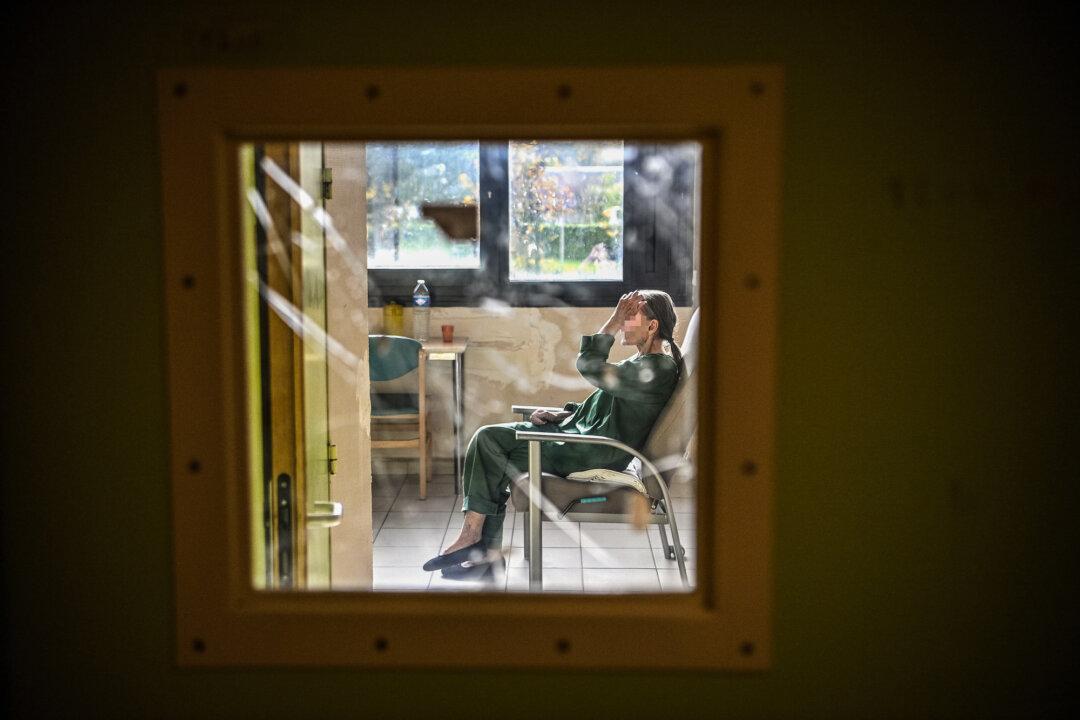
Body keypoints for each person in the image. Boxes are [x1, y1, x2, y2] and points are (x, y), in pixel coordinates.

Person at [423, 290, 685, 580]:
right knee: (491, 441)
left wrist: (611, 321)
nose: (623, 323)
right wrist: (567, 414)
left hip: (591, 452)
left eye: (629, 317)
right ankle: (483, 549)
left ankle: (475, 541)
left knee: (489, 442)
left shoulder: (656, 368)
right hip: (581, 435)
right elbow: (611, 403)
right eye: (621, 317)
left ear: (652, 326)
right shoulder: (649, 363)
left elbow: (589, 366)